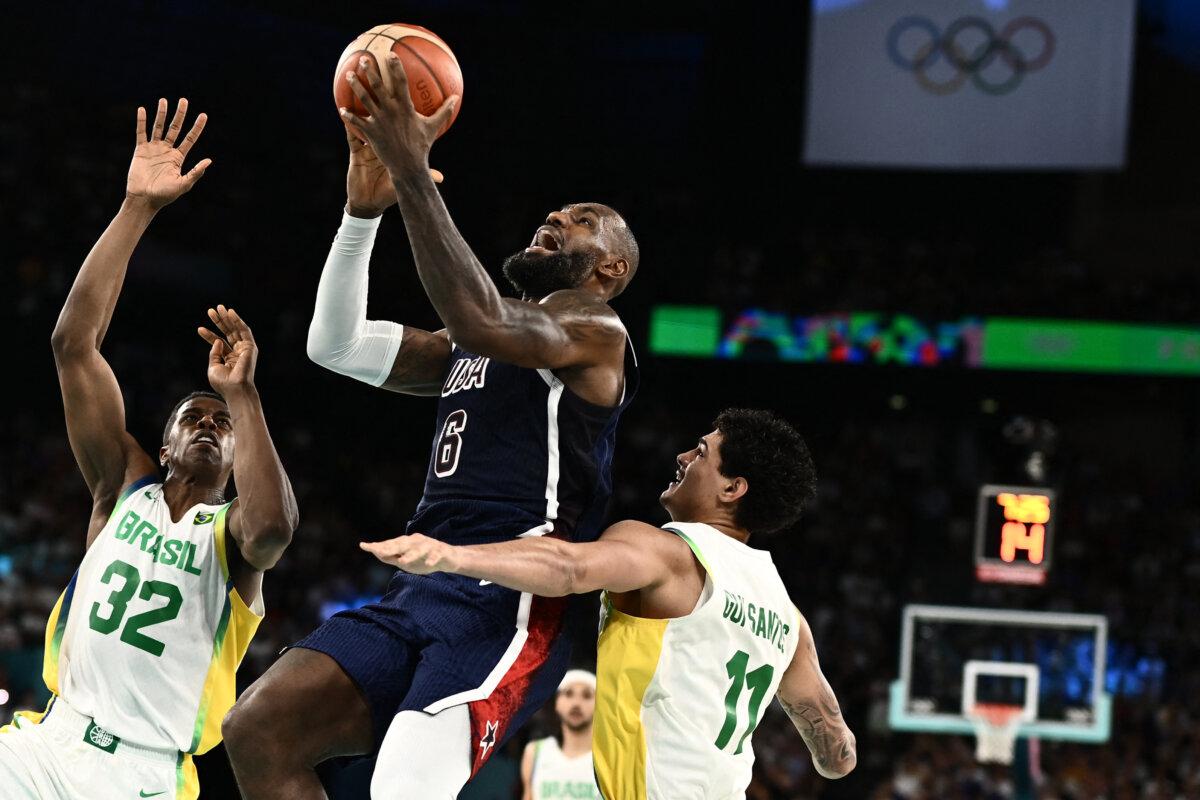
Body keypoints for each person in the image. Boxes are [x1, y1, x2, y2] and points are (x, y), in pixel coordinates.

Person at [222, 54, 639, 800]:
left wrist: (412, 170)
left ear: (609, 270)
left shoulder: (594, 327)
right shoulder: (469, 345)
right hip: (422, 582)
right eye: (554, 214)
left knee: (406, 787)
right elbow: (336, 346)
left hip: (511, 596)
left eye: (580, 224)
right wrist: (360, 216)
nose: (554, 219)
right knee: (260, 727)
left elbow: (479, 313)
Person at [0, 99, 298, 800]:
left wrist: (242, 392)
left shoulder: (232, 538)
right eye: (194, 415)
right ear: (161, 446)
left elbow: (273, 529)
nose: (209, 423)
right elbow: (72, 347)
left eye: (222, 425)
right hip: (49, 742)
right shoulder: (122, 485)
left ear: (236, 458)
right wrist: (137, 207)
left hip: (144, 773)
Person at [363, 409, 858, 799]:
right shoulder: (786, 613)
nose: (685, 455)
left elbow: (568, 568)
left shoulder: (668, 552)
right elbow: (837, 753)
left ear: (732, 488)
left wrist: (451, 555)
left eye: (703, 453)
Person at [521, 670, 601, 800]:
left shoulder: (609, 759)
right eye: (568, 694)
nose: (576, 703)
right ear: (557, 703)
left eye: (587, 695)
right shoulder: (535, 752)